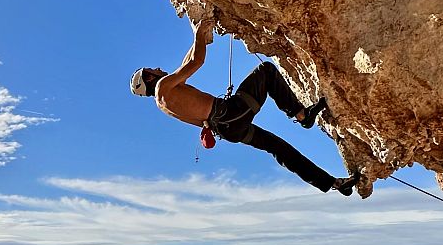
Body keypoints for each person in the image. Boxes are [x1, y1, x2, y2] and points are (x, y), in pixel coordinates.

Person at [130, 14, 361, 195]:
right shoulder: (163, 87)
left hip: (228, 128)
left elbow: (185, 65)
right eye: (154, 70)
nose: (159, 68)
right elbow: (196, 61)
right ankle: (301, 114)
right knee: (266, 71)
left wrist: (197, 36)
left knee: (278, 148)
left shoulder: (163, 101)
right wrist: (200, 33)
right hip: (231, 113)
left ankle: (332, 183)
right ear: (150, 78)